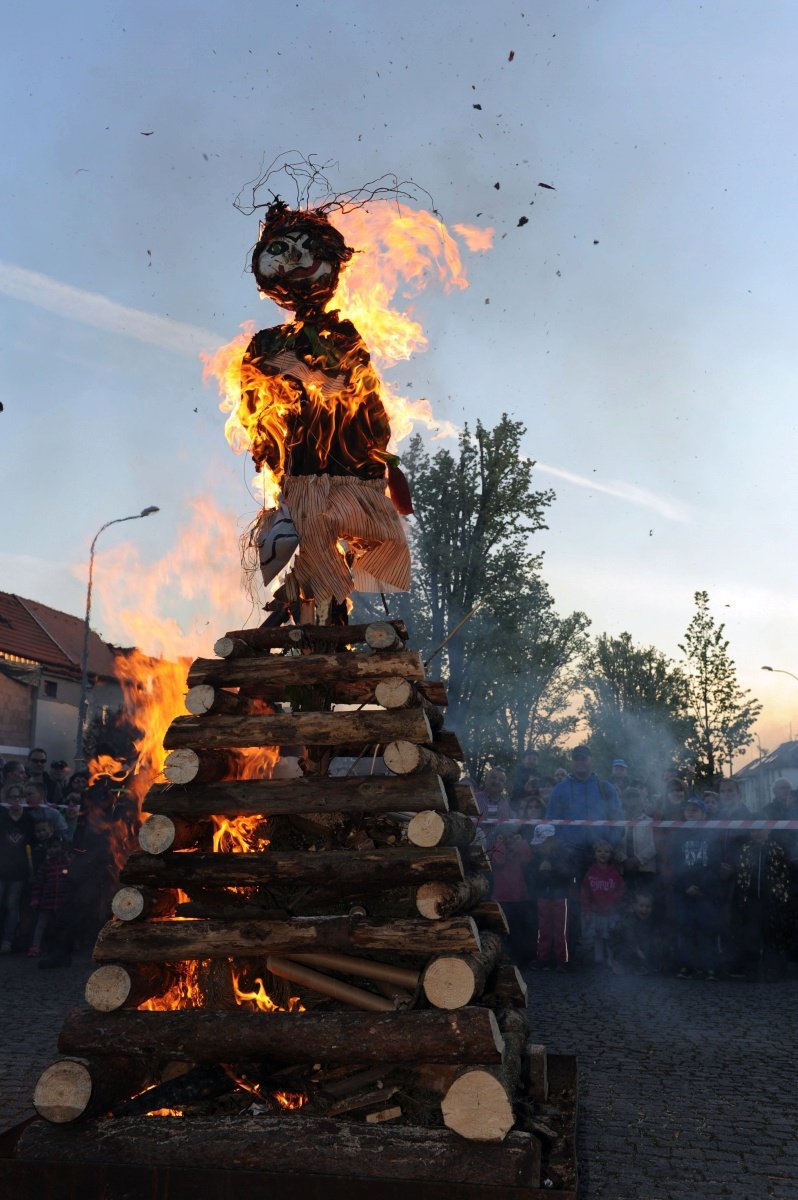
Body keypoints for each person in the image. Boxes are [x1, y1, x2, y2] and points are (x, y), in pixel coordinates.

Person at [240, 199, 411, 626]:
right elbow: (253, 403)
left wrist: (379, 450)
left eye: (306, 249)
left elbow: (355, 391)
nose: (294, 260)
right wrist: (265, 446)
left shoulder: (343, 335)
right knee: (313, 524)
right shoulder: (265, 342)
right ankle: (312, 605)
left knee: (370, 534)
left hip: (351, 465)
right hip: (301, 468)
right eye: (280, 249)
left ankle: (318, 601)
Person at [545, 746, 625, 877]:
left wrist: (609, 845)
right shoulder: (560, 789)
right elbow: (550, 821)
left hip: (600, 856)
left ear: (591, 760)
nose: (580, 762)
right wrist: (561, 845)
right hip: (568, 856)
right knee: (570, 896)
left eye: (584, 758)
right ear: (571, 761)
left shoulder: (606, 788)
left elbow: (619, 821)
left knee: (601, 896)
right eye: (576, 758)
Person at [668, 796, 724, 979]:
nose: (691, 812)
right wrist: (686, 886)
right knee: (685, 930)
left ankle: (710, 967)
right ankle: (687, 966)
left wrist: (701, 885)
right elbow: (674, 863)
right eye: (688, 810)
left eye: (695, 810)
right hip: (684, 891)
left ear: (703, 814)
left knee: (707, 931)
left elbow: (715, 864)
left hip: (706, 891)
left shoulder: (712, 835)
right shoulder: (678, 836)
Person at [732, 829, 791, 981]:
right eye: (754, 831)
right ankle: (751, 969)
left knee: (771, 934)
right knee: (751, 934)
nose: (757, 834)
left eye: (761, 830)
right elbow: (740, 874)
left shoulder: (776, 848)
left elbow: (783, 875)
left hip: (771, 900)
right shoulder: (746, 849)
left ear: (768, 830)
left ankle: (772, 969)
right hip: (751, 900)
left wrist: (779, 896)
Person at [528, 823, 574, 971]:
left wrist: (552, 868)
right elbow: (531, 877)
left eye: (543, 843)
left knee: (561, 929)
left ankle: (562, 959)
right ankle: (543, 958)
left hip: (560, 895)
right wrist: (541, 873)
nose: (540, 847)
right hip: (543, 894)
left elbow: (570, 875)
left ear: (551, 840)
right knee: (544, 929)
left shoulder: (564, 854)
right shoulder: (536, 857)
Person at [489, 822, 534, 967]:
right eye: (505, 836)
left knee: (518, 930)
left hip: (518, 896)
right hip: (501, 897)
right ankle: (503, 956)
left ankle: (519, 957)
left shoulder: (518, 849)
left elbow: (527, 859)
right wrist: (500, 844)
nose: (508, 839)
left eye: (511, 836)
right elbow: (498, 861)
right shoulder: (496, 848)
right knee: (503, 930)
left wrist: (521, 843)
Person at [0, 783, 34, 952]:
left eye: (18, 797)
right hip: (1, 869)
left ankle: (7, 940)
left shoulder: (29, 819)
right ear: (7, 799)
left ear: (23, 799)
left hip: (19, 871)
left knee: (12, 905)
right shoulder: (2, 817)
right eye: (12, 797)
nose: (15, 800)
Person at [580, 841, 625, 968]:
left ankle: (611, 959)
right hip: (596, 912)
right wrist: (587, 910)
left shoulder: (614, 872)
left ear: (611, 854)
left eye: (606, 851)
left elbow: (621, 889)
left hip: (611, 912)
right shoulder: (590, 872)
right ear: (594, 854)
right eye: (599, 851)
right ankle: (598, 959)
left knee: (611, 937)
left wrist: (612, 898)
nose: (603, 854)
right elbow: (585, 892)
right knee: (598, 936)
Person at [28, 836, 73, 959]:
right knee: (41, 924)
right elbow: (39, 883)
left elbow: (72, 882)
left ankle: (62, 947)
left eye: (55, 847)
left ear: (62, 848)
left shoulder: (68, 863)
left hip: (62, 901)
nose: (52, 850)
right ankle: (35, 946)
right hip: (47, 901)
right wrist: (35, 898)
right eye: (50, 848)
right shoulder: (46, 865)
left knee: (61, 925)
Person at [610, 891, 664, 975]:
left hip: (641, 947)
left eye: (648, 907)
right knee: (624, 950)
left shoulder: (652, 921)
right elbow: (628, 936)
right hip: (626, 945)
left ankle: (642, 966)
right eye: (641, 906)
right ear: (634, 906)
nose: (644, 909)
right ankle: (619, 963)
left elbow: (655, 937)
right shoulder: (628, 919)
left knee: (654, 948)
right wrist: (637, 950)